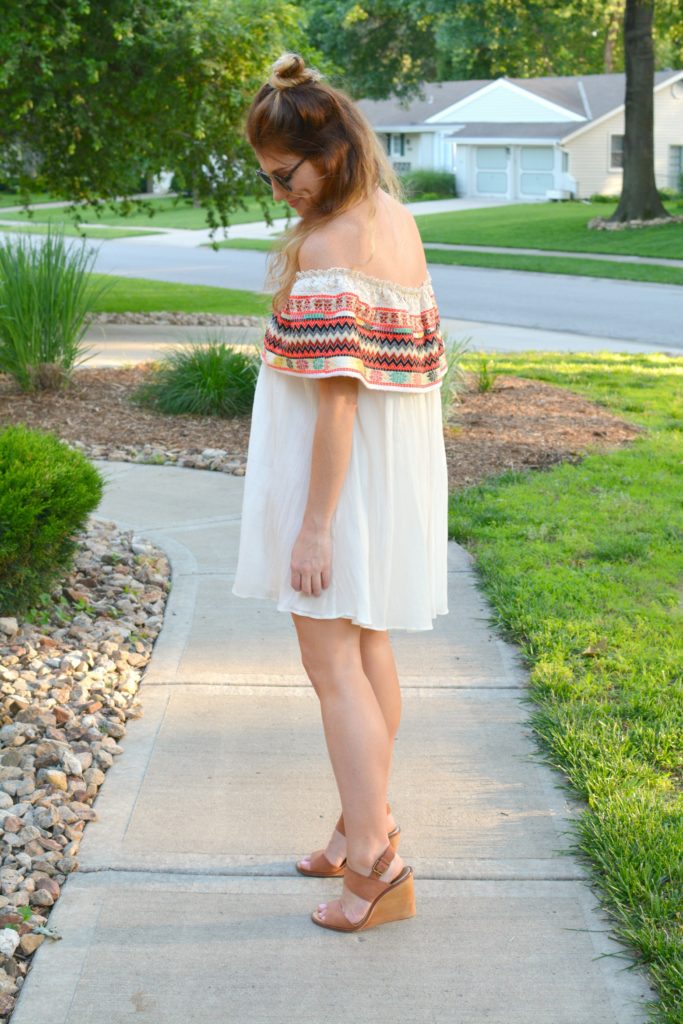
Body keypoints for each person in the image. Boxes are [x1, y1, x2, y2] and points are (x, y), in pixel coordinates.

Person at [232, 52, 449, 933]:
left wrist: (313, 527)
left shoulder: (329, 244)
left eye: (285, 174)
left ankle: (374, 868)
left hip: (339, 480)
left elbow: (336, 400)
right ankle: (362, 822)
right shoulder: (391, 217)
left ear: (328, 152)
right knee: (367, 652)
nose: (279, 191)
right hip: (385, 473)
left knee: (332, 670)